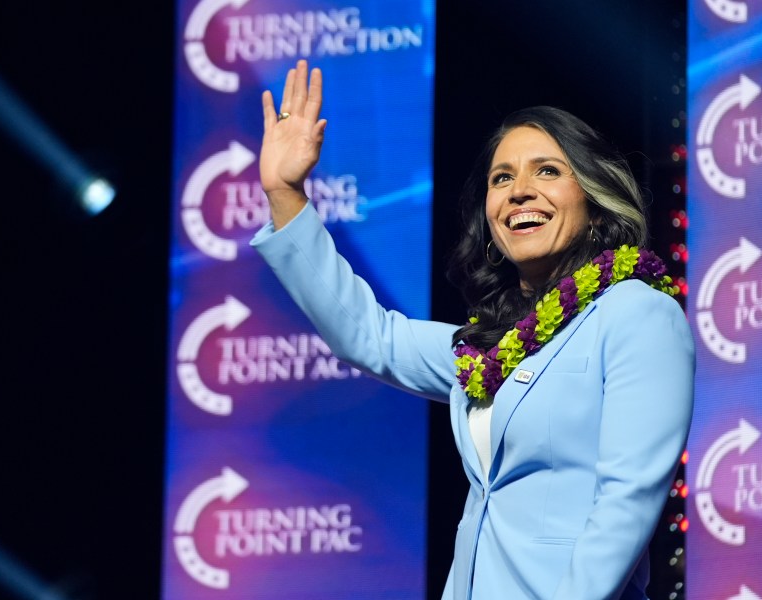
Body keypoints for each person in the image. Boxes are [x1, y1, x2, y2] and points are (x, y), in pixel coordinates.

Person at [251, 60, 695, 600]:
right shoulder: (487, 348)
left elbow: (627, 501)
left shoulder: (636, 313)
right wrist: (285, 193)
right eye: (501, 178)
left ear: (596, 204)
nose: (519, 191)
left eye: (548, 171)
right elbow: (371, 336)